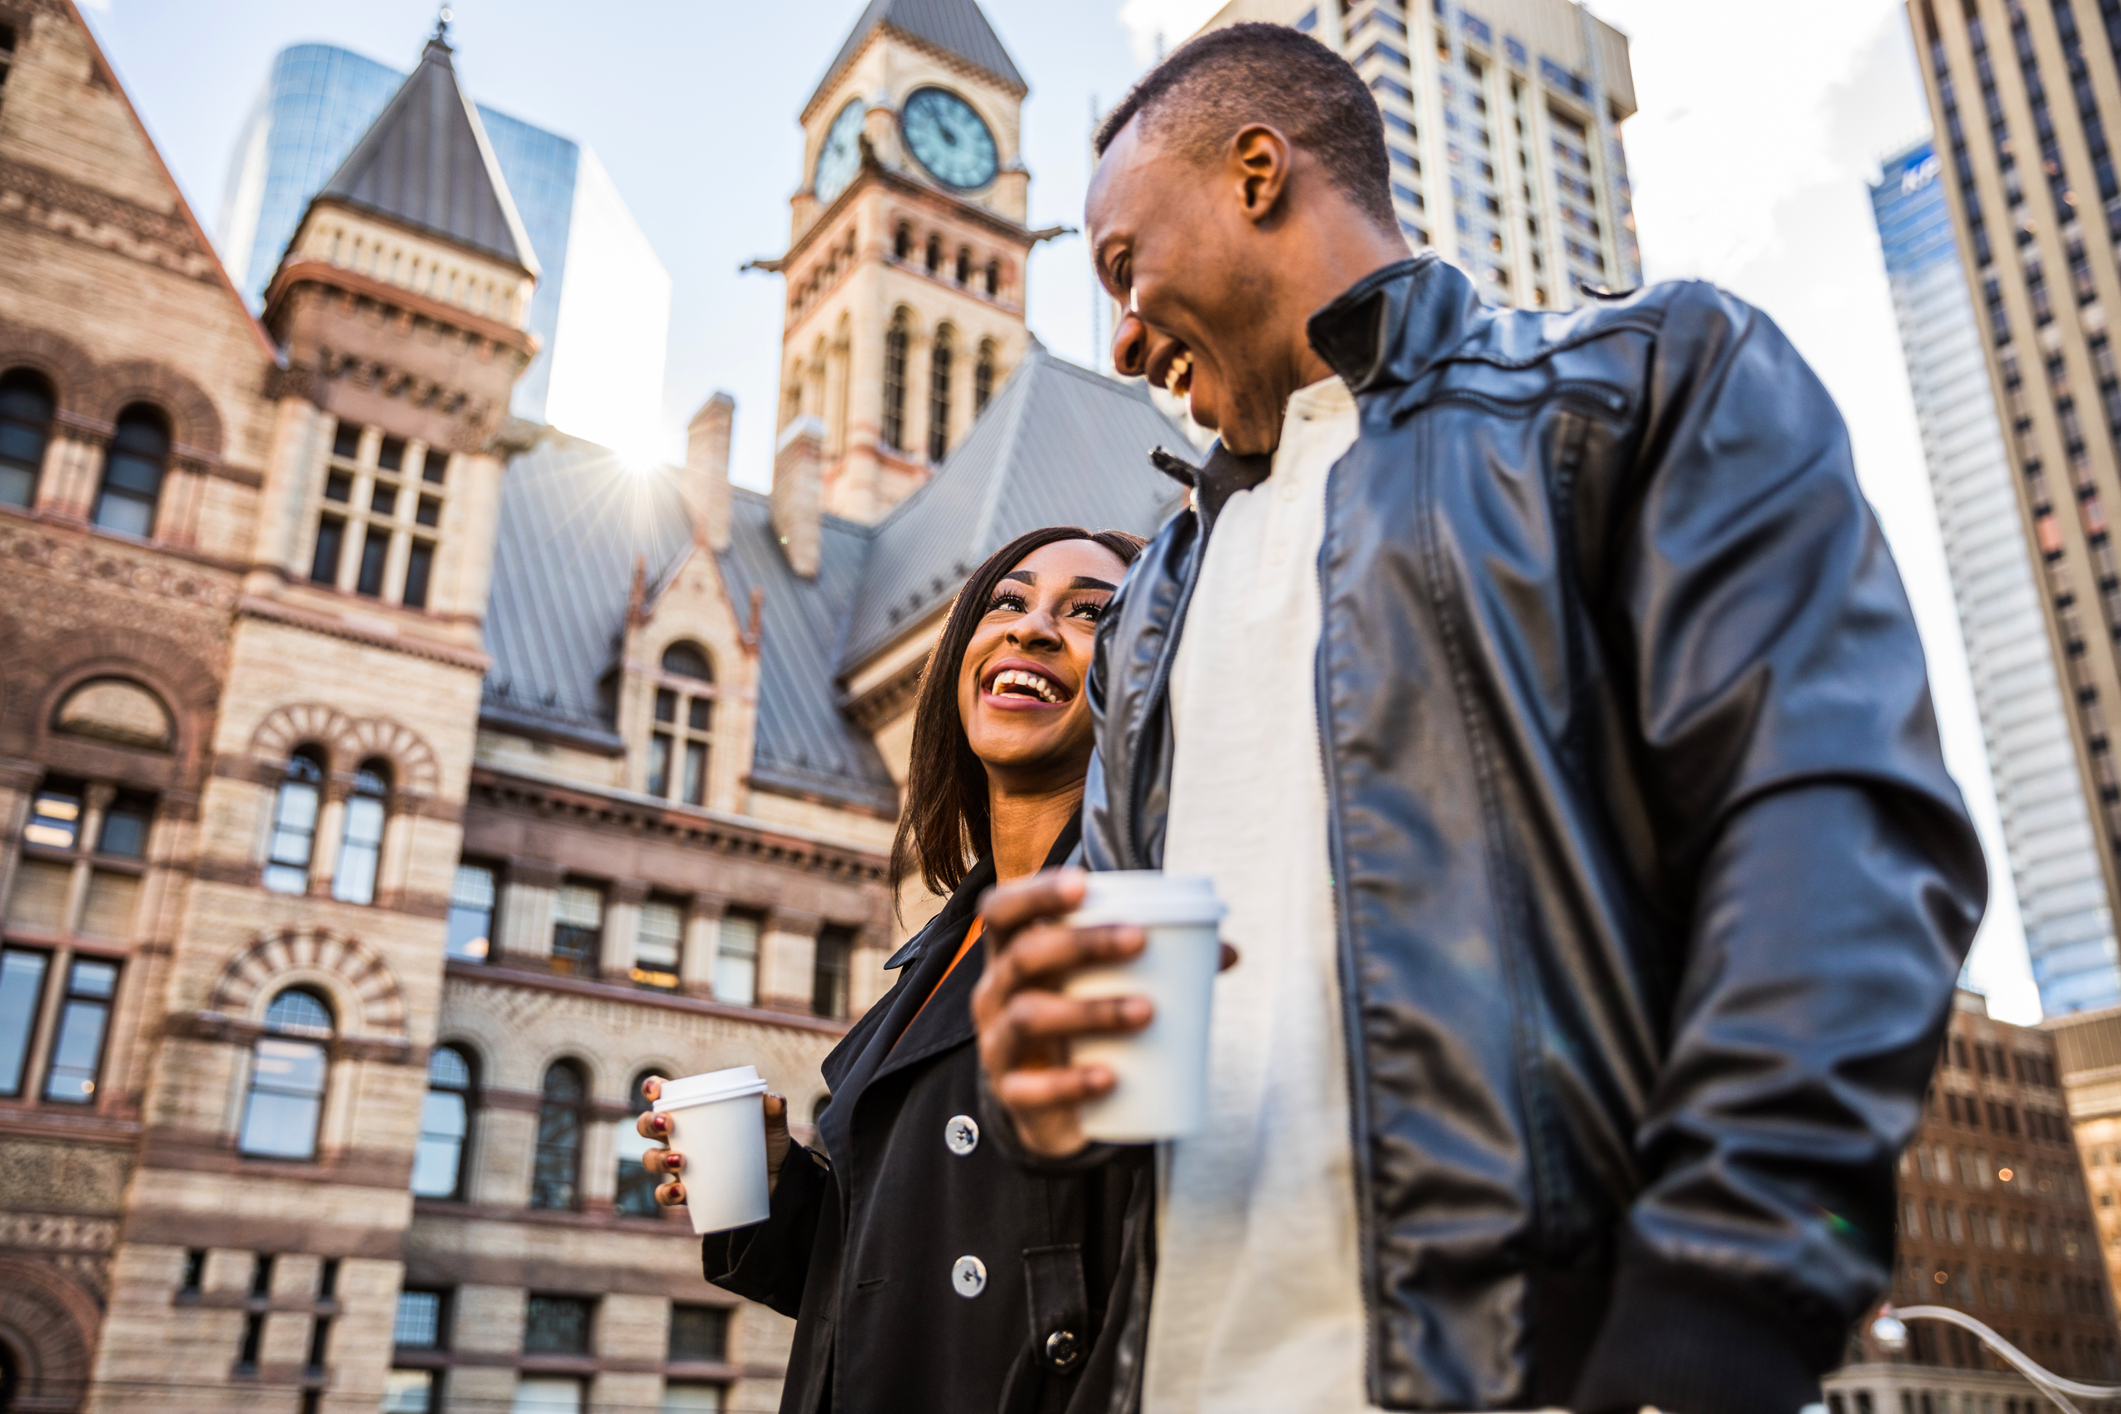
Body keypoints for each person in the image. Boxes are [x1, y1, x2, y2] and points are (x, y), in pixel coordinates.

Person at [971, 23, 1987, 1414]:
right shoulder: (1149, 599)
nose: (1125, 336)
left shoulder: (1641, 385)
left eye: (1121, 267)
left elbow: (1832, 829)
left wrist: (1720, 1306)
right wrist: (1056, 1095)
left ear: (1256, 173)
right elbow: (1127, 1049)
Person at [636, 526, 1150, 1414]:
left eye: (1087, 614)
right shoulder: (936, 950)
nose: (1030, 628)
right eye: (1007, 601)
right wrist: (771, 1188)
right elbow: (885, 1293)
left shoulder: (1128, 919)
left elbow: (1131, 1271)